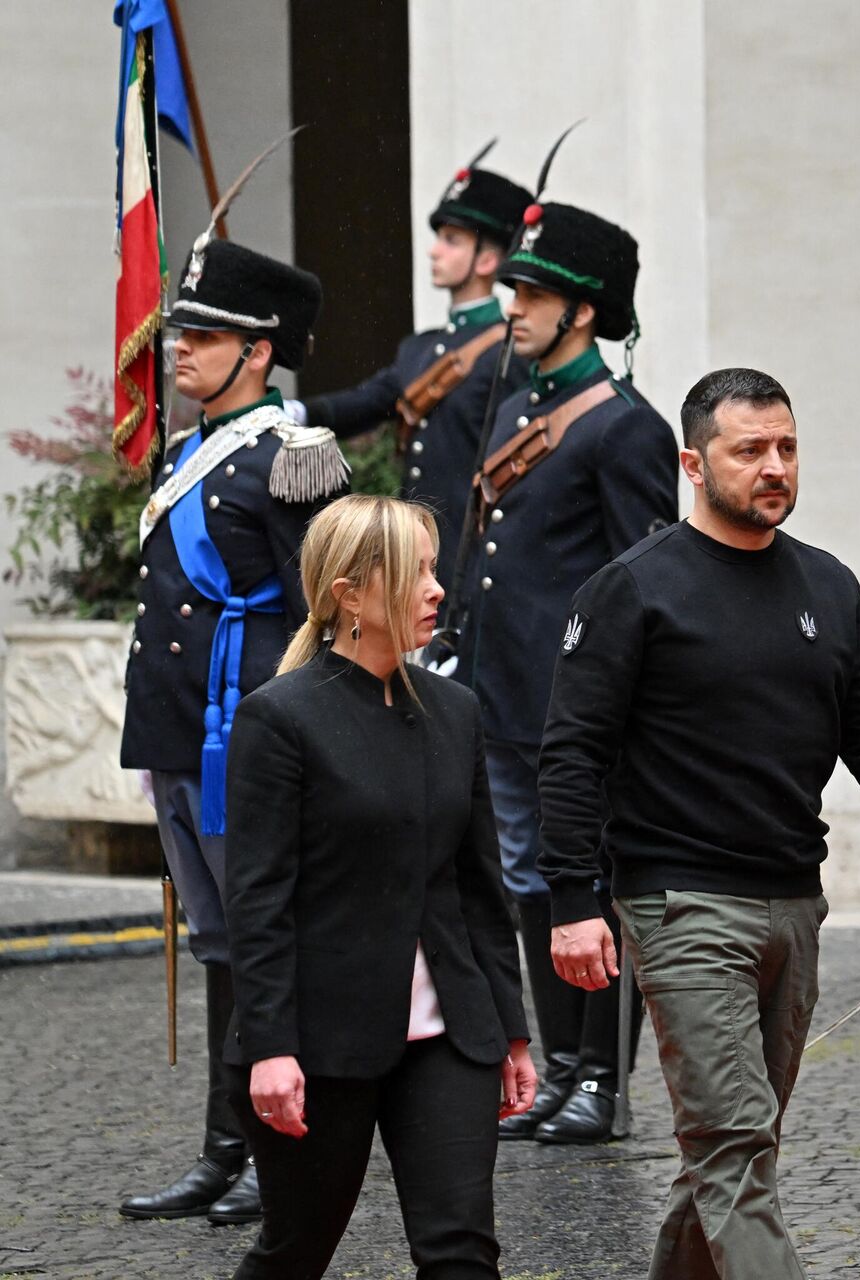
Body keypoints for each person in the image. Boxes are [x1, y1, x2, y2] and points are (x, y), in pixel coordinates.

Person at [539, 367, 860, 1279]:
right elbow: (572, 755)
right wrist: (573, 901)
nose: (774, 467)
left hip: (792, 906)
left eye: (786, 448)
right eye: (750, 451)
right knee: (736, 1145)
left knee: (730, 1150)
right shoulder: (631, 591)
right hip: (679, 906)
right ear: (695, 464)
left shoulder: (828, 584)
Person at [222, 494, 537, 1278]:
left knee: (461, 1251)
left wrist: (512, 1028)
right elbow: (257, 901)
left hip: (449, 1036)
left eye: (434, 569)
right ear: (349, 595)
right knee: (297, 1248)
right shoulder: (279, 718)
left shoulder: (456, 711)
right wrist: (271, 1047)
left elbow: (479, 886)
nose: (436, 589)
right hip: (320, 1041)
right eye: (413, 572)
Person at [118, 236, 346, 1226]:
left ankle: (280, 1149)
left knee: (268, 937)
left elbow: (327, 603)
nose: (181, 348)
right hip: (181, 729)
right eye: (181, 330)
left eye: (203, 335)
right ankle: (224, 1145)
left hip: (250, 727)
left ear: (259, 352)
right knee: (221, 941)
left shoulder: (293, 459)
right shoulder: (186, 449)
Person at [461, 197, 679, 1144]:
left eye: (534, 290)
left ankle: (603, 1079)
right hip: (503, 691)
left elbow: (648, 575)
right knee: (532, 879)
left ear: (583, 311)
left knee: (593, 880)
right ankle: (559, 1070)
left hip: (581, 700)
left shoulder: (623, 426)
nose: (513, 303)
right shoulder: (516, 407)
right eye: (514, 284)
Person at [287, 155, 533, 559]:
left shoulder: (512, 352)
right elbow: (363, 403)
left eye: (452, 241)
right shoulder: (417, 349)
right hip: (417, 555)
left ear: (488, 260)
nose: (434, 251)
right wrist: (287, 413)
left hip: (471, 555)